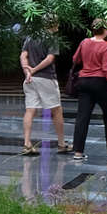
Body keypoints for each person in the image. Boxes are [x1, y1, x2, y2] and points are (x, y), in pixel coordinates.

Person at [68, 21, 107, 162]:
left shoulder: (84, 42)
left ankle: (78, 152)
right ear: (105, 30)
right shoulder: (105, 46)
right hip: (100, 83)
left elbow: (75, 59)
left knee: (82, 118)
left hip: (84, 82)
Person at [21, 20, 69, 155]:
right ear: (52, 25)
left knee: (30, 110)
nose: (58, 26)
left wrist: (27, 72)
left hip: (30, 80)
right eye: (57, 24)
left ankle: (27, 144)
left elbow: (23, 56)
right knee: (57, 110)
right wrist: (34, 70)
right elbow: (49, 59)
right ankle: (61, 144)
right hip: (46, 78)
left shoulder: (30, 36)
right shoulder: (52, 39)